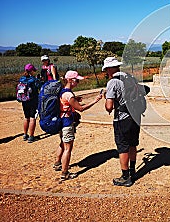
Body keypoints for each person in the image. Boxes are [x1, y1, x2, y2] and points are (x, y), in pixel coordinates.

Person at [53, 70, 102, 181]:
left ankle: (57, 163)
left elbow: (67, 103)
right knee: (68, 148)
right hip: (67, 123)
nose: (78, 83)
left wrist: (75, 100)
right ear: (70, 80)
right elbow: (81, 109)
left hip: (61, 121)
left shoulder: (62, 91)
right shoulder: (69, 94)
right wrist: (95, 101)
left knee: (62, 143)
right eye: (77, 81)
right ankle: (65, 173)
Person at [103, 57, 141, 187]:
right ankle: (132, 171)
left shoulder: (113, 82)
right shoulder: (130, 77)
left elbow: (109, 106)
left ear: (108, 69)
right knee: (132, 144)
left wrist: (106, 99)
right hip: (135, 116)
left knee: (122, 146)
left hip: (122, 118)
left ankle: (125, 177)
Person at [19, 64, 41, 143]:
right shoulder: (34, 80)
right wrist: (39, 80)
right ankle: (31, 136)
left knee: (26, 117)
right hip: (33, 100)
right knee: (32, 118)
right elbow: (39, 87)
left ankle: (25, 134)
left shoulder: (22, 79)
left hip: (24, 100)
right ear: (31, 71)